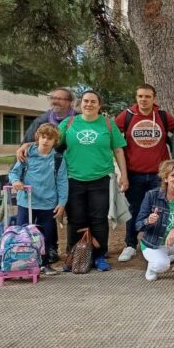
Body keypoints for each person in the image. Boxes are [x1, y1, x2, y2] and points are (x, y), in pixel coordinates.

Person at [58, 90, 129, 272]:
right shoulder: (69, 123)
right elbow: (51, 142)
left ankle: (99, 255)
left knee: (98, 219)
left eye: (93, 101)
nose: (89, 104)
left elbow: (118, 150)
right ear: (81, 104)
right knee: (75, 219)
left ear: (99, 105)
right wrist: (28, 145)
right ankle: (74, 255)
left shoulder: (107, 123)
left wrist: (124, 175)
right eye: (85, 101)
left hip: (101, 179)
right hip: (73, 179)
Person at [114, 84, 174, 263]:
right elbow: (110, 135)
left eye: (147, 96)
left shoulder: (163, 117)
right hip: (134, 173)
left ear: (154, 98)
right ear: (136, 97)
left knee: (162, 209)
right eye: (140, 96)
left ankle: (158, 244)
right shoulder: (126, 116)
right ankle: (130, 244)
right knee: (133, 210)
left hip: (159, 174)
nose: (143, 99)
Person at [8, 123, 68, 274]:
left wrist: (62, 203)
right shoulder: (27, 154)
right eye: (43, 137)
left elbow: (62, 182)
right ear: (38, 138)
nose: (45, 141)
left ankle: (44, 263)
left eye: (50, 138)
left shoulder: (58, 159)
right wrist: (16, 181)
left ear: (55, 141)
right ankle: (22, 263)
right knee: (23, 234)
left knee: (45, 235)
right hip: (26, 202)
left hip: (48, 204)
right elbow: (14, 173)